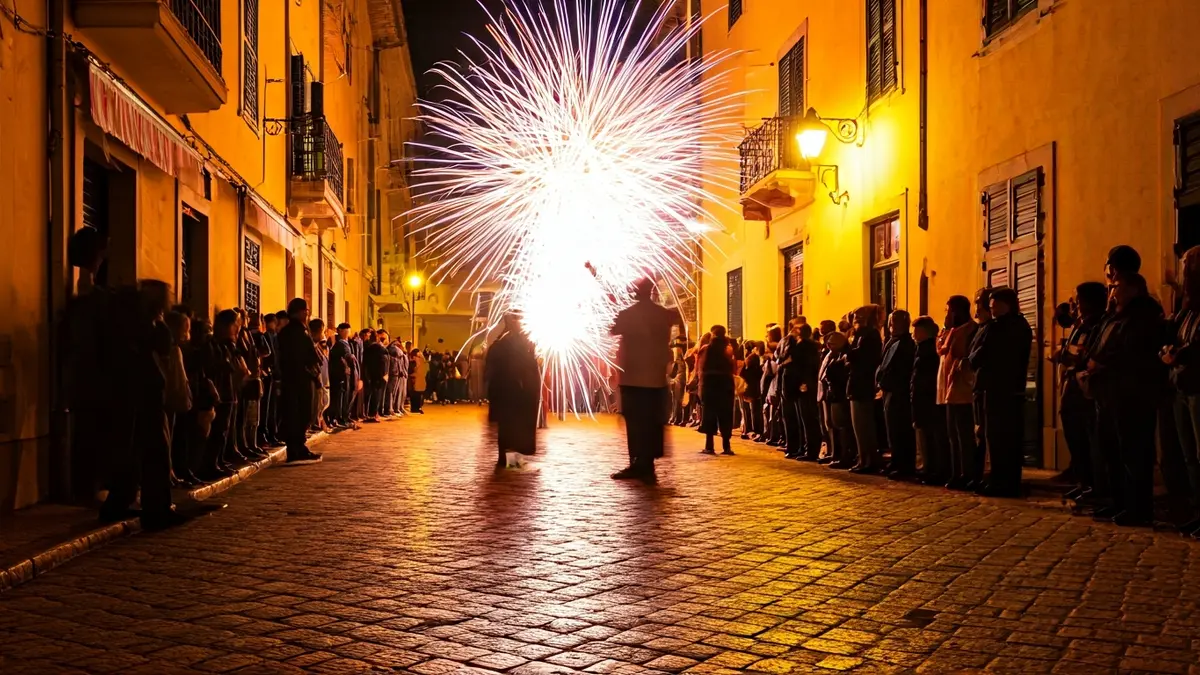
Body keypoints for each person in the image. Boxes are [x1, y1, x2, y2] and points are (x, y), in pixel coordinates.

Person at [1081, 272, 1163, 525]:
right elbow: (1099, 341)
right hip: (1109, 393)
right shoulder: (1113, 316)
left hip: (1131, 393)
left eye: (1116, 287)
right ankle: (1118, 502)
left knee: (1133, 453)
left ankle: (1138, 508)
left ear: (1133, 290)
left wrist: (1102, 363)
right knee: (1112, 451)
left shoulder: (1143, 316)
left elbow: (1130, 350)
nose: (1112, 292)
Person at [610, 278, 679, 481]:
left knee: (635, 424)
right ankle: (647, 463)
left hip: (632, 377)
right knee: (652, 423)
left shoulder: (627, 314)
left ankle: (638, 463)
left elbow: (612, 328)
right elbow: (675, 320)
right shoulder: (664, 314)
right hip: (656, 379)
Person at [968, 287, 1033, 498]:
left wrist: (976, 359)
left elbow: (980, 353)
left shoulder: (1000, 327)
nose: (992, 309)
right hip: (1005, 388)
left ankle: (1002, 481)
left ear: (1007, 304)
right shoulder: (1019, 326)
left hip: (999, 388)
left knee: (1000, 438)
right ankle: (1002, 480)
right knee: (1001, 439)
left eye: (995, 305)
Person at [1056, 282, 1107, 502]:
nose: (1074, 304)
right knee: (1074, 436)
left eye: (1077, 299)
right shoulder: (1080, 324)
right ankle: (1083, 481)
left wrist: (1069, 358)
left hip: (1084, 388)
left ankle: (1092, 485)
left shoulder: (1096, 324)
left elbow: (1085, 354)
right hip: (1072, 384)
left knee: (1087, 439)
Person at [1167, 246, 1200, 536]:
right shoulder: (1187, 309)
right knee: (1190, 455)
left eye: (1186, 269)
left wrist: (1180, 354)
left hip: (1197, 387)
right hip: (1182, 386)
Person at [485, 314, 541, 466]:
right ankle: (507, 459)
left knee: (512, 427)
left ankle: (509, 458)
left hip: (515, 392)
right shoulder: (505, 344)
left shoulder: (506, 343)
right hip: (511, 392)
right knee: (510, 427)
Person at [938, 295, 979, 490]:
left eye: (948, 310)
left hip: (963, 390)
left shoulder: (971, 330)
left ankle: (967, 473)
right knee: (952, 434)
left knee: (964, 435)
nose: (946, 315)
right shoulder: (951, 331)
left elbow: (964, 356)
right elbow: (942, 351)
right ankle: (956, 472)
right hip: (950, 390)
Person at [275, 299, 322, 462]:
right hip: (298, 379)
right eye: (306, 310)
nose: (307, 314)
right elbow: (302, 355)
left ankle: (298, 447)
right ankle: (295, 448)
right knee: (298, 414)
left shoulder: (295, 330)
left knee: (300, 414)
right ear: (299, 311)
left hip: (297, 378)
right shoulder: (295, 331)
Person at [878, 310, 917, 478]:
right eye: (891, 321)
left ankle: (904, 465)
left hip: (899, 392)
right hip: (888, 391)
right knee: (891, 429)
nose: (892, 325)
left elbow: (902, 369)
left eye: (895, 321)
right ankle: (895, 461)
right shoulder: (890, 341)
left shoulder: (907, 343)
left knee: (901, 430)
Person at [846, 305, 883, 473]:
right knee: (858, 427)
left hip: (863, 384)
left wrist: (846, 349)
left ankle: (869, 461)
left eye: (860, 316)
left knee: (864, 425)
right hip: (857, 383)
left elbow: (861, 357)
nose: (856, 319)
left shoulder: (870, 335)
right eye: (855, 316)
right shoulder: (859, 335)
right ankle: (863, 458)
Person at [911, 315, 947, 485]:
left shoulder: (929, 350)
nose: (913, 334)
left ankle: (930, 468)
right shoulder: (921, 349)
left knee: (928, 434)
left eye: (916, 331)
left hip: (927, 397)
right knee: (923, 433)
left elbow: (924, 376)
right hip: (922, 396)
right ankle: (926, 467)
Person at [780, 326, 822, 460]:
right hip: (796, 385)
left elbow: (807, 365)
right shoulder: (795, 344)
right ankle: (803, 448)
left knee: (808, 419)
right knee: (801, 420)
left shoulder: (807, 346)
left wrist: (805, 382)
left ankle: (811, 451)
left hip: (804, 385)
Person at [965, 289, 993, 490]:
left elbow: (978, 355)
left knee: (984, 433)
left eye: (978, 304)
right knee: (979, 433)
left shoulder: (991, 328)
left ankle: (984, 475)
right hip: (978, 385)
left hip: (987, 387)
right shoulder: (981, 328)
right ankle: (977, 476)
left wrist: (969, 362)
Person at [698, 325, 737, 456]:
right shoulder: (729, 349)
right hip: (726, 386)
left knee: (709, 416)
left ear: (713, 334)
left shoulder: (707, 349)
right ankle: (726, 447)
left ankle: (709, 447)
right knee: (725, 415)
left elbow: (702, 369)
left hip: (710, 387)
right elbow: (733, 367)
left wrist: (701, 389)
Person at [819, 332, 855, 468]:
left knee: (842, 426)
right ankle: (835, 453)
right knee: (832, 424)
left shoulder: (844, 355)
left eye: (832, 343)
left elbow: (837, 372)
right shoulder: (831, 355)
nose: (829, 345)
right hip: (831, 394)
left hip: (839, 394)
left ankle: (844, 455)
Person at [739, 342, 763, 440]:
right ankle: (753, 430)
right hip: (754, 389)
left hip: (749, 389)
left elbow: (743, 374)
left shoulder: (750, 360)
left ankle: (751, 430)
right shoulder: (755, 360)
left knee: (749, 411)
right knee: (753, 411)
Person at [386, 332, 407, 416]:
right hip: (394, 372)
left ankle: (393, 409)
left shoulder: (395, 350)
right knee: (391, 392)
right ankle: (391, 409)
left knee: (394, 392)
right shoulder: (393, 349)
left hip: (396, 372)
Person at [410, 347, 429, 413]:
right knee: (418, 395)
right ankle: (417, 408)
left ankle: (415, 408)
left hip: (417, 380)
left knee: (416, 395)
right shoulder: (422, 361)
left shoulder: (416, 361)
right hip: (419, 380)